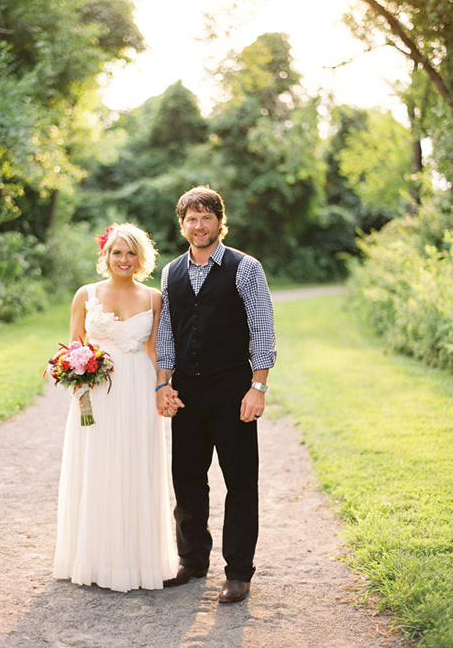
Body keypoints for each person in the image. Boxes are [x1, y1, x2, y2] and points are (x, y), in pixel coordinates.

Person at [155, 186, 276, 604]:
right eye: (191, 218)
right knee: (187, 479)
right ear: (182, 224)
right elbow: (167, 334)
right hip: (187, 390)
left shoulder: (245, 267)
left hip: (232, 389)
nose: (199, 225)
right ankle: (193, 561)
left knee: (240, 481)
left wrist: (257, 387)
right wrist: (163, 382)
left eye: (207, 217)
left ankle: (239, 572)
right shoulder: (171, 272)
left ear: (219, 222)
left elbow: (262, 329)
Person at [54, 223, 178, 592]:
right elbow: (73, 346)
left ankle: (137, 562)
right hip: (97, 391)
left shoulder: (154, 298)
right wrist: (75, 376)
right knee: (97, 464)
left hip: (139, 389)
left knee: (135, 464)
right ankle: (93, 557)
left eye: (130, 253)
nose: (123, 259)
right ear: (105, 256)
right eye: (116, 252)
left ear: (142, 258)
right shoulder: (85, 294)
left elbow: (156, 349)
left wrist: (162, 387)